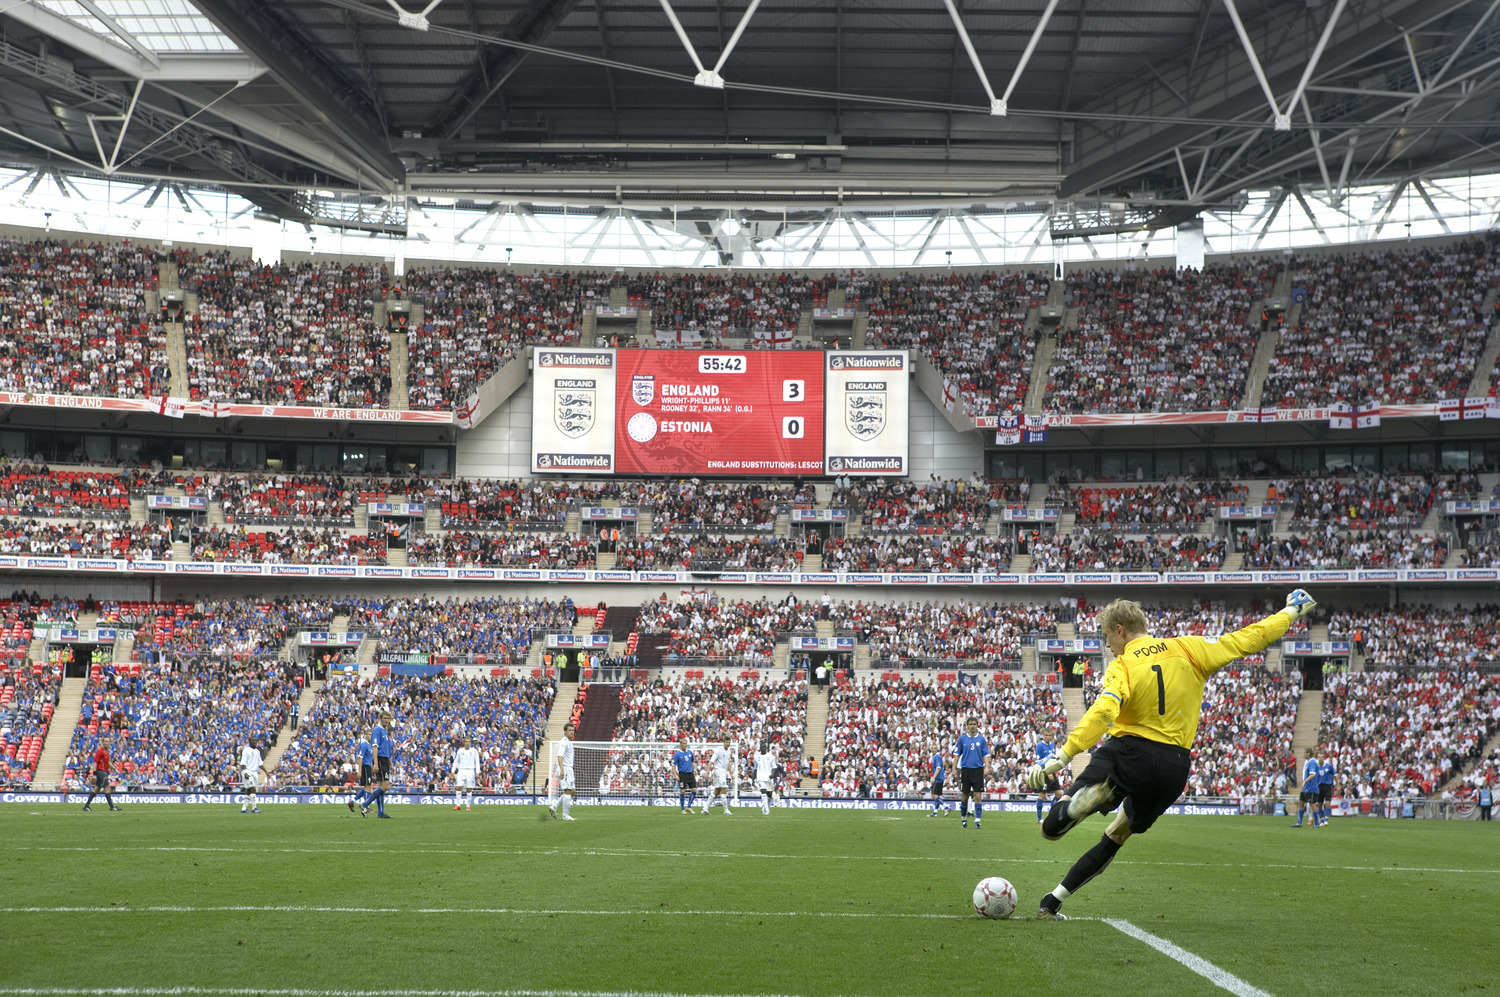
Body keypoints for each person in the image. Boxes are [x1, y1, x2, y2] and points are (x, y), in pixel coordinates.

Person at [1027, 589, 1317, 920]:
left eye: (1107, 637)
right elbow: (1247, 639)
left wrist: (1066, 754)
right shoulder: (1188, 648)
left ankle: (1082, 801)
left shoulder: (1123, 663)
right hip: (1172, 767)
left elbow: (1106, 709)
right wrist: (1290, 613)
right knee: (1117, 835)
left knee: (1050, 829)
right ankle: (1052, 901)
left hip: (1128, 752)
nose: (1108, 646)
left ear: (1120, 630)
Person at [955, 717, 990, 829]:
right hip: (965, 770)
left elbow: (986, 754)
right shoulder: (962, 739)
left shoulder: (981, 739)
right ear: (967, 725)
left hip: (978, 770)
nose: (972, 726)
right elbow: (957, 755)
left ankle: (977, 821)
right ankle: (964, 820)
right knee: (965, 796)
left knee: (977, 796)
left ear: (977, 725)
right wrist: (954, 768)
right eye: (970, 724)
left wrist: (987, 767)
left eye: (974, 724)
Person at [548, 721, 578, 820]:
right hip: (564, 768)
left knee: (572, 791)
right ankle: (565, 815)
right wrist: (562, 770)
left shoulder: (568, 742)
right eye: (569, 730)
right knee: (568, 791)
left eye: (573, 730)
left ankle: (554, 806)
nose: (571, 732)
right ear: (565, 732)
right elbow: (559, 756)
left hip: (569, 769)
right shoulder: (563, 742)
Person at [82, 738, 122, 812]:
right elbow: (95, 762)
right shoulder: (100, 751)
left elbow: (108, 762)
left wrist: (115, 769)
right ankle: (112, 806)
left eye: (108, 741)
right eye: (106, 741)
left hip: (104, 771)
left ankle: (86, 805)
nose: (107, 743)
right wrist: (94, 773)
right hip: (101, 772)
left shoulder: (107, 751)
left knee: (97, 789)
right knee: (107, 788)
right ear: (103, 742)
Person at [368, 711, 395, 819]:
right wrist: (375, 763)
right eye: (384, 718)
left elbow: (387, 751)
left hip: (385, 761)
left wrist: (391, 765)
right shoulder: (377, 730)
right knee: (386, 786)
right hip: (379, 760)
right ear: (380, 718)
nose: (386, 720)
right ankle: (365, 804)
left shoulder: (385, 731)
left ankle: (381, 812)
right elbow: (375, 746)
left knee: (382, 787)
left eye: (388, 718)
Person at [1034, 730, 1064, 823]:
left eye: (1049, 735)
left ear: (1052, 736)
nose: (1047, 737)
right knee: (1042, 794)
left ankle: (1050, 815)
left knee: (1059, 794)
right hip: (1044, 773)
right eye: (1046, 735)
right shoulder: (1039, 746)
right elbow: (1038, 761)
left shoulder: (1052, 744)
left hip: (1052, 772)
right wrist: (1048, 772)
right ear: (1043, 736)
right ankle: (1039, 818)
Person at [704, 736, 733, 815]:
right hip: (717, 771)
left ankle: (705, 808)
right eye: (726, 742)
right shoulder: (718, 750)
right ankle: (726, 810)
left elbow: (728, 763)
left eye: (729, 742)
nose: (728, 744)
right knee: (724, 789)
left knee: (717, 791)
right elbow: (710, 762)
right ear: (723, 742)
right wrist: (707, 772)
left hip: (723, 772)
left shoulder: (729, 752)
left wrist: (731, 773)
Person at [1292, 748, 1320, 828]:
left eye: (1305, 753)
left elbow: (1313, 774)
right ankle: (1299, 822)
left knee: (1312, 804)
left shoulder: (1312, 762)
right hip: (1305, 788)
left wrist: (1305, 781)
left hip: (1311, 787)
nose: (1303, 754)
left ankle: (1317, 823)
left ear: (1308, 753)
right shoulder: (1307, 762)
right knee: (1301, 802)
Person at [348, 729, 374, 815]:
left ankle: (352, 801)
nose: (371, 736)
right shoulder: (364, 744)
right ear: (366, 735)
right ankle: (365, 806)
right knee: (367, 787)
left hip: (369, 767)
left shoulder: (370, 745)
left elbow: (370, 758)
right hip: (365, 767)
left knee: (368, 788)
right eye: (369, 734)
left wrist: (372, 768)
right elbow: (360, 758)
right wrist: (360, 771)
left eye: (372, 734)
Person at [452, 735, 480, 811]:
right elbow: (456, 761)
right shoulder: (460, 751)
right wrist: (453, 770)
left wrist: (477, 771)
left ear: (471, 743)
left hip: (470, 771)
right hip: (461, 770)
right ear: (463, 743)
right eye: (466, 742)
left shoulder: (474, 751)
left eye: (469, 742)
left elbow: (477, 762)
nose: (467, 743)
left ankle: (468, 806)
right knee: (459, 787)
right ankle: (458, 805)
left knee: (469, 788)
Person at [239, 740, 267, 814]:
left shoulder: (257, 751)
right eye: (253, 741)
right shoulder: (246, 750)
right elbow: (243, 762)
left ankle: (244, 808)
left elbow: (260, 763)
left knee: (249, 790)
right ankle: (254, 807)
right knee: (253, 789)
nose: (254, 742)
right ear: (250, 742)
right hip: (248, 771)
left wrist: (266, 772)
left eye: (255, 741)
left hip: (254, 773)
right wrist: (245, 772)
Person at [672, 737, 698, 813]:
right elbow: (673, 765)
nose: (685, 745)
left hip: (690, 773)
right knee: (683, 791)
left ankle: (689, 806)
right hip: (682, 774)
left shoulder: (690, 752)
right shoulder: (677, 754)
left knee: (694, 790)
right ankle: (683, 808)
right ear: (680, 744)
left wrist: (694, 769)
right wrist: (675, 775)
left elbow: (692, 761)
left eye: (686, 744)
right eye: (683, 743)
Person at [754, 741, 778, 814]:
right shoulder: (756, 757)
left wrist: (772, 775)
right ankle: (766, 810)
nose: (763, 748)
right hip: (760, 777)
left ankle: (764, 807)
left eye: (764, 747)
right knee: (763, 792)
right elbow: (755, 768)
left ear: (766, 748)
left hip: (768, 778)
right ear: (760, 748)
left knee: (769, 795)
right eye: (762, 747)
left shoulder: (771, 757)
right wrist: (753, 779)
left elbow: (774, 767)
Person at [927, 740, 950, 816]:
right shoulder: (937, 756)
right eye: (932, 748)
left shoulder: (937, 757)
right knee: (937, 795)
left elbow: (938, 768)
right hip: (940, 778)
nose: (933, 749)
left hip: (938, 778)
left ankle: (945, 807)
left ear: (937, 749)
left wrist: (933, 777)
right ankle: (935, 812)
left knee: (934, 795)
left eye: (934, 748)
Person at [1317, 752, 1336, 827]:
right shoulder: (1316, 767)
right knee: (1319, 804)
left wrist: (1337, 784)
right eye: (1319, 757)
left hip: (1327, 786)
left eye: (1322, 757)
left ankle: (1326, 820)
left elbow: (1334, 775)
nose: (1320, 759)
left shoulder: (1328, 766)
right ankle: (1321, 820)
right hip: (1319, 786)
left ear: (1324, 758)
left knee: (1327, 803)